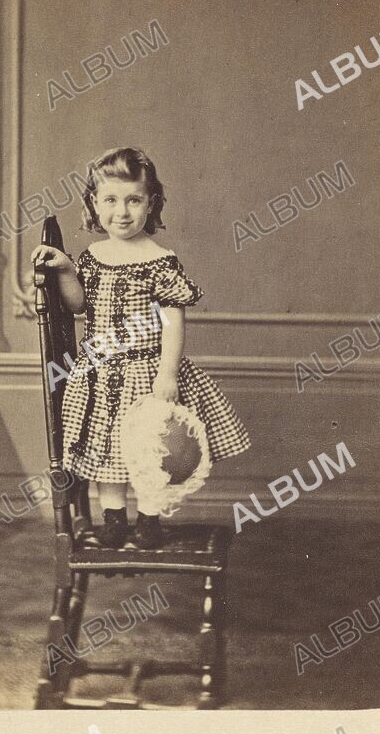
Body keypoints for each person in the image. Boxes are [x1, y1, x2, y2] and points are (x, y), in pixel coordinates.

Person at [31, 146, 250, 548]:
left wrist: (167, 374)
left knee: (152, 450)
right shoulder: (94, 257)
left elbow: (173, 318)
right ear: (94, 204)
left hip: (147, 371)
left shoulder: (160, 261)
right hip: (100, 374)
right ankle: (113, 521)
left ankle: (149, 521)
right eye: (110, 200)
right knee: (104, 451)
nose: (122, 211)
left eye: (134, 200)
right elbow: (79, 304)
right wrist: (64, 268)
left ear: (151, 204)